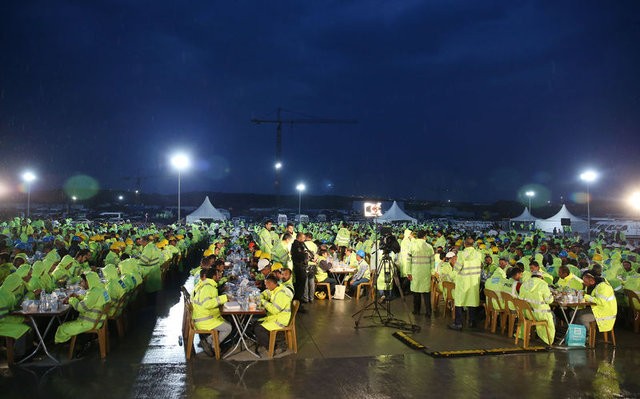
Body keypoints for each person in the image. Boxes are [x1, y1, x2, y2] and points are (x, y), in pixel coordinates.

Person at [55, 272, 110, 344]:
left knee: (62, 328)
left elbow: (81, 308)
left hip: (89, 323)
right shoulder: (101, 289)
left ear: (88, 281)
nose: (81, 283)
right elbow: (90, 301)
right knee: (70, 320)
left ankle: (59, 347)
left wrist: (71, 300)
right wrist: (78, 297)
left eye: (82, 281)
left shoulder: (94, 292)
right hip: (98, 321)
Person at [192, 268, 232, 357]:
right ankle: (214, 345)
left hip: (202, 317)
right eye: (218, 275)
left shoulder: (206, 285)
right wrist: (223, 298)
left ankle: (207, 341)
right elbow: (207, 304)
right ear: (214, 276)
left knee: (226, 322)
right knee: (228, 327)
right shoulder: (208, 287)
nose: (219, 276)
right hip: (204, 320)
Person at [448, 237, 482, 331]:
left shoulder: (462, 254)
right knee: (472, 301)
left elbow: (458, 268)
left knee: (459, 302)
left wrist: (451, 274)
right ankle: (472, 322)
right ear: (473, 244)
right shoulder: (479, 254)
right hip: (474, 282)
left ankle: (458, 323)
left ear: (464, 244)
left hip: (463, 282)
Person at [254, 274, 292, 354]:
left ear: (271, 283)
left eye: (266, 284)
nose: (266, 286)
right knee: (255, 323)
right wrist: (260, 297)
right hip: (275, 317)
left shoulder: (281, 293)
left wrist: (263, 302)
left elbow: (275, 310)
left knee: (258, 329)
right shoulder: (274, 290)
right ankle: (264, 342)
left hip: (280, 320)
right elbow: (265, 293)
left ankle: (272, 348)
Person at [518, 270, 556, 345]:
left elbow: (520, 298)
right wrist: (552, 296)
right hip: (540, 314)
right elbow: (549, 301)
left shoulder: (524, 284)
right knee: (553, 316)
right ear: (541, 277)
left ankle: (539, 335)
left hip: (527, 313)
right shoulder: (543, 284)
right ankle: (549, 339)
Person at [407, 230, 434, 317]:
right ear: (424, 236)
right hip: (426, 272)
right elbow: (433, 261)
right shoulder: (429, 247)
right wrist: (432, 272)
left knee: (416, 292)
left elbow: (408, 261)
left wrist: (408, 272)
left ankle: (416, 310)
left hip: (415, 272)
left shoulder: (412, 246)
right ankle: (428, 311)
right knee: (426, 293)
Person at [291, 232, 310, 302]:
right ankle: (298, 302)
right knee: (300, 285)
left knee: (300, 285)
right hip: (299, 267)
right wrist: (305, 255)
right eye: (303, 238)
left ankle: (298, 301)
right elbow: (299, 256)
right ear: (299, 237)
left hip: (299, 266)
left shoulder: (299, 244)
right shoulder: (297, 245)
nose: (304, 239)